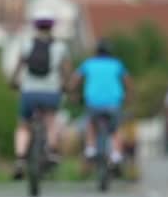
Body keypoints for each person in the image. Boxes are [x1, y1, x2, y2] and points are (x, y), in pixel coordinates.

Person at [9, 14, 72, 180]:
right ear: (52, 28)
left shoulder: (27, 45)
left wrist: (13, 82)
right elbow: (66, 72)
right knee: (50, 121)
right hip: (51, 92)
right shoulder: (60, 47)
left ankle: (20, 158)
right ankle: (51, 150)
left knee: (23, 125)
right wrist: (66, 86)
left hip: (29, 92)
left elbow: (18, 68)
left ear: (36, 28)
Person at [69, 39, 131, 171]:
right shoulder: (117, 64)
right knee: (116, 129)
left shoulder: (89, 63)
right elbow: (127, 81)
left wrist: (73, 94)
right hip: (114, 102)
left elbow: (75, 79)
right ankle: (116, 154)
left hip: (93, 101)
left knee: (90, 124)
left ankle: (91, 149)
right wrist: (128, 96)